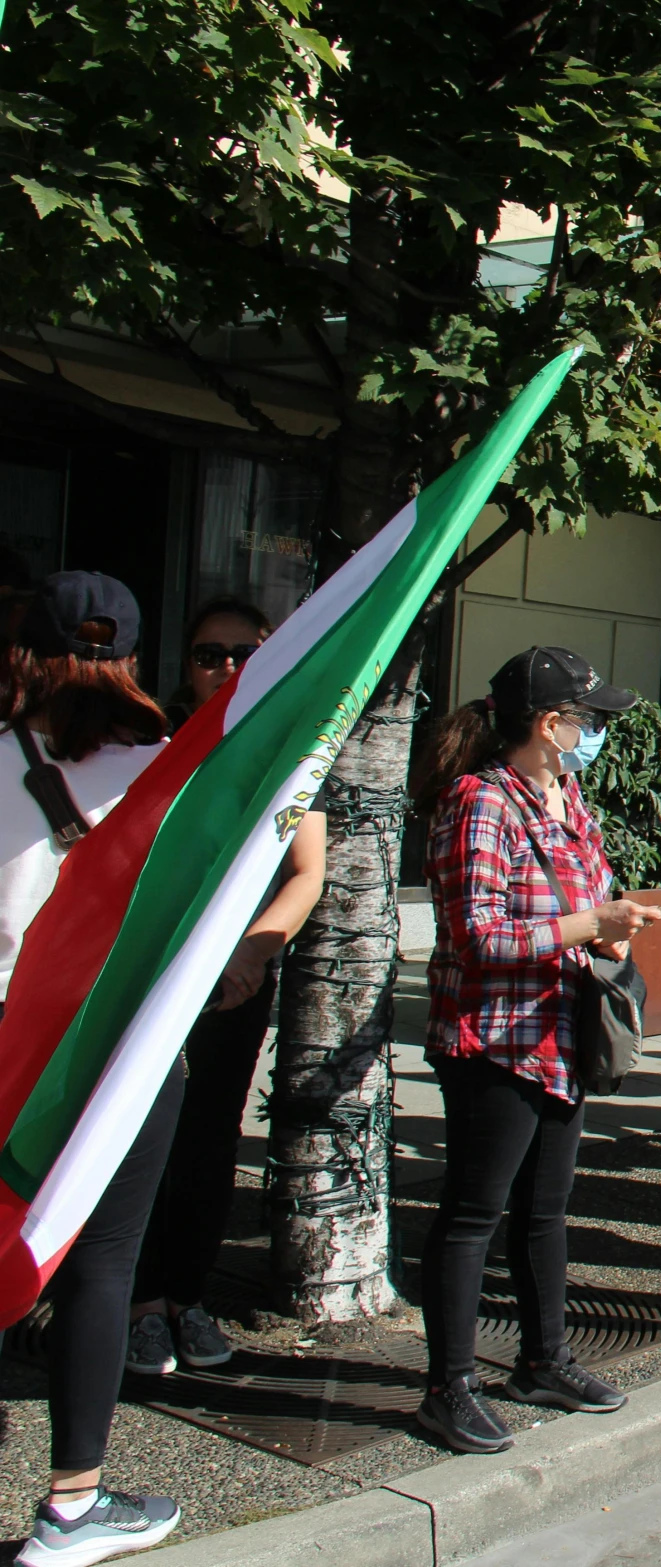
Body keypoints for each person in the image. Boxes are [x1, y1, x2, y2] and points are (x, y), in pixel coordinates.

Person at [410, 646, 653, 1452]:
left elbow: (588, 892)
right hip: (492, 1040)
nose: (596, 734)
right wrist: (592, 924)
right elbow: (476, 932)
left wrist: (614, 917)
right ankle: (448, 1387)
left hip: (557, 1033)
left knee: (545, 1211)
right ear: (550, 725)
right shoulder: (481, 802)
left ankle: (543, 1358)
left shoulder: (565, 796)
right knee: (473, 1213)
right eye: (589, 720)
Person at [1, 573, 182, 1564]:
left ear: (26, 653)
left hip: (4, 1034)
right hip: (118, 1046)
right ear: (132, 661)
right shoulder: (175, 772)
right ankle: (71, 1505)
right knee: (99, 1264)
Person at [127, 599, 328, 1378]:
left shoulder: (292, 747)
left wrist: (253, 952)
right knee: (143, 1146)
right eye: (212, 653)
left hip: (234, 985)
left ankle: (186, 1294)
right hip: (149, 980)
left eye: (246, 652)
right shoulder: (153, 738)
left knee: (209, 1143)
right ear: (186, 663)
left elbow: (305, 872)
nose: (228, 667)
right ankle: (140, 1305)